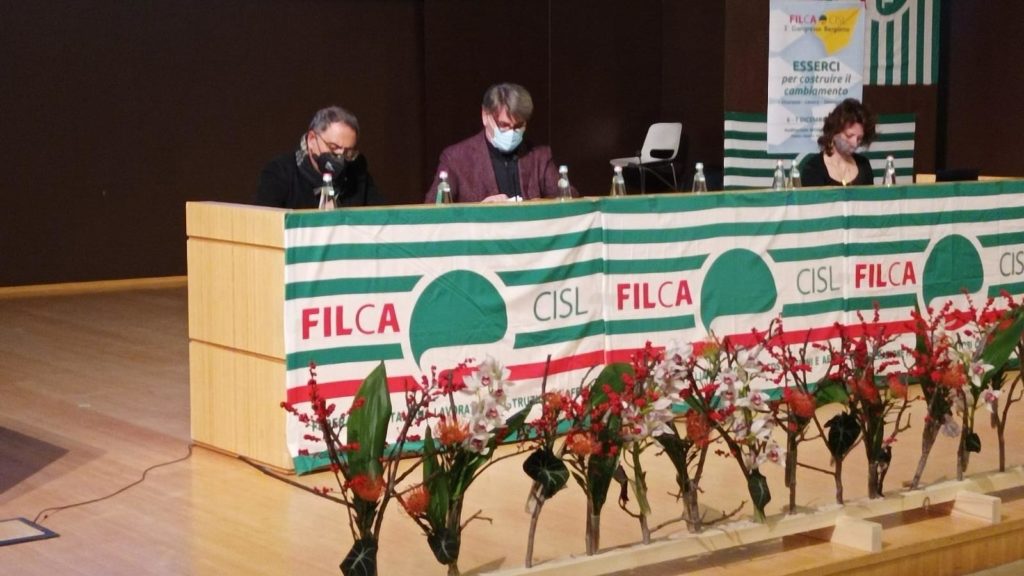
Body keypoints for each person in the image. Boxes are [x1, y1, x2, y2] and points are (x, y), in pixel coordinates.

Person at [425, 83, 576, 203]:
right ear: (485, 116)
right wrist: (479, 210)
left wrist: (542, 204)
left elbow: (570, 200)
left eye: (518, 126)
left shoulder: (539, 156)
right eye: (504, 125)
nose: (511, 133)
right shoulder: (456, 158)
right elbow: (434, 213)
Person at [255, 106, 383, 209]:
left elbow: (379, 217)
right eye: (333, 147)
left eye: (348, 152)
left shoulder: (357, 171)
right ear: (311, 139)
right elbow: (265, 223)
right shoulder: (279, 172)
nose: (340, 157)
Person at [801, 98, 876, 187]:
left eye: (859, 138)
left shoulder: (863, 165)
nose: (855, 143)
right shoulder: (814, 169)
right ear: (834, 132)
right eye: (849, 136)